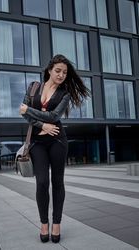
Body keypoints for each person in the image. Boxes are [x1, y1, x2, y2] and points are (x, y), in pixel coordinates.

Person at [19, 54, 90, 243]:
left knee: (57, 182)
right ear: (49, 70)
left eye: (65, 73)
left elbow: (52, 115)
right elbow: (26, 115)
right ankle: (44, 223)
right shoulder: (34, 87)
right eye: (58, 71)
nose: (61, 75)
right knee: (42, 182)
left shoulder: (64, 94)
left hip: (57, 141)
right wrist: (42, 125)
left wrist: (30, 112)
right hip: (36, 142)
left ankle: (56, 223)